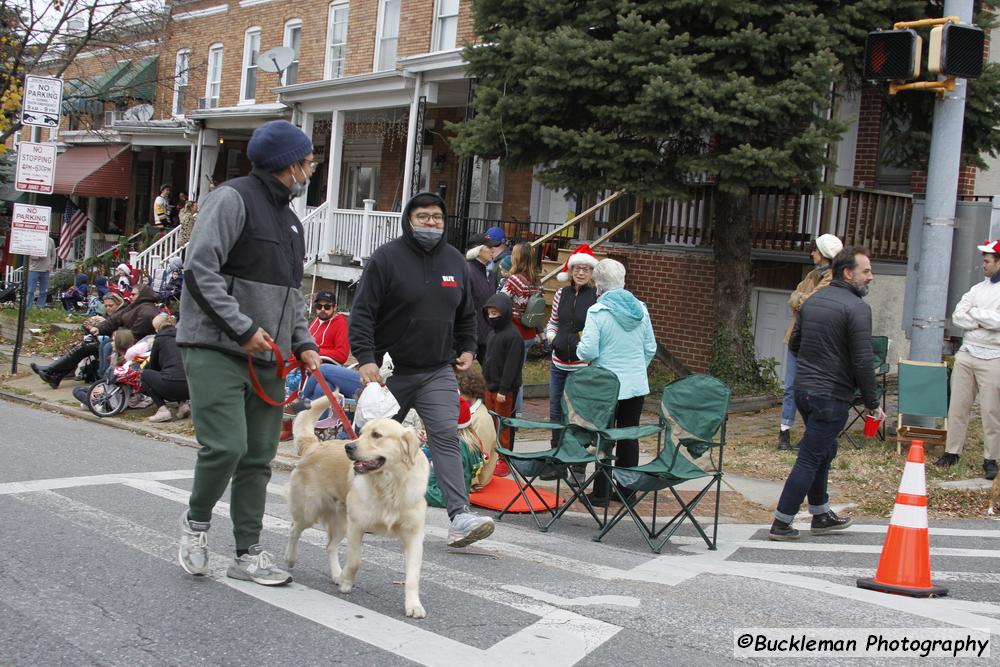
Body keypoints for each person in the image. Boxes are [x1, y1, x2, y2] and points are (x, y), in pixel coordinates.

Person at [175, 119, 321, 585]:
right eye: (308, 160)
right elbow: (199, 270)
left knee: (258, 455)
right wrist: (241, 328)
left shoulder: (293, 222)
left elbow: (291, 295)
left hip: (269, 356)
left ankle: (247, 552)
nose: (311, 168)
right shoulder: (231, 198)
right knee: (226, 446)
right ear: (290, 164)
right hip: (217, 346)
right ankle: (196, 526)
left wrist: (303, 343)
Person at [348, 190, 495, 548]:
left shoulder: (454, 261)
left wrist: (467, 347)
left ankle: (460, 516)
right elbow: (363, 312)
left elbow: (466, 314)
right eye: (423, 217)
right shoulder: (386, 259)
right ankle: (359, 506)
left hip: (436, 370)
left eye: (437, 218)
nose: (431, 223)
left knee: (446, 435)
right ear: (409, 220)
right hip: (389, 372)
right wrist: (365, 358)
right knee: (370, 442)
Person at [770, 247, 882, 541]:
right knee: (810, 457)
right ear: (848, 273)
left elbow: (794, 344)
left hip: (805, 391)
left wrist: (814, 364)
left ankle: (820, 514)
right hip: (830, 395)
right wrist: (873, 403)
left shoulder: (813, 302)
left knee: (824, 451)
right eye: (866, 271)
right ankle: (782, 522)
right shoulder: (858, 309)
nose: (871, 277)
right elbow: (862, 361)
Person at [576, 259, 657, 506]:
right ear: (623, 281)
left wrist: (580, 349)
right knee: (629, 436)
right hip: (635, 385)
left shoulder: (597, 311)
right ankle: (627, 491)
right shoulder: (640, 309)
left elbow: (588, 352)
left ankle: (600, 493)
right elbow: (650, 347)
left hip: (606, 385)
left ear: (598, 284)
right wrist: (635, 369)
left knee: (603, 436)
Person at [934, 240, 1000, 481]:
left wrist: (976, 316)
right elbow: (958, 316)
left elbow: (998, 322)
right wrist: (984, 319)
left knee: (991, 410)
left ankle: (990, 458)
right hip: (967, 352)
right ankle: (952, 452)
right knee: (958, 405)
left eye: (987, 261)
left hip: (994, 356)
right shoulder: (977, 289)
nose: (983, 265)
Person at [778, 234, 843, 450]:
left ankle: (811, 434)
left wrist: (801, 298)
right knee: (790, 387)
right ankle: (784, 431)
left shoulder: (832, 278)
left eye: (815, 250)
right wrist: (801, 298)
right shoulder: (812, 274)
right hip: (795, 336)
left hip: (815, 342)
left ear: (823, 254)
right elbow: (794, 297)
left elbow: (811, 302)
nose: (812, 253)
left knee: (810, 390)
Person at [30, 287, 158, 389]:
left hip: (131, 344)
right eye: (106, 305)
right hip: (117, 338)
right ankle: (54, 374)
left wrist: (115, 334)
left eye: (134, 294)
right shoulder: (134, 306)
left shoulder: (145, 311)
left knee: (98, 346)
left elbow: (135, 333)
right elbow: (113, 321)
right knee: (84, 345)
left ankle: (101, 380)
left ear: (142, 295)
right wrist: (100, 328)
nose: (130, 295)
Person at [545, 244, 599, 446]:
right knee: (555, 411)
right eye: (577, 268)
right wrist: (552, 337)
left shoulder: (596, 296)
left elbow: (598, 330)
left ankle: (577, 459)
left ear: (592, 272)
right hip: (558, 364)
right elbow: (553, 322)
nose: (581, 272)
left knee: (578, 412)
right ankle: (555, 458)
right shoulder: (561, 294)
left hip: (581, 367)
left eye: (586, 269)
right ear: (570, 270)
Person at [500, 242, 543, 416]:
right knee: (518, 373)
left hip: (514, 332)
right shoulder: (536, 280)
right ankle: (517, 411)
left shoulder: (515, 279)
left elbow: (501, 301)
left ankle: (513, 412)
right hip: (529, 333)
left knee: (510, 374)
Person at [482, 293, 525, 451]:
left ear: (505, 312)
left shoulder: (513, 337)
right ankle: (492, 452)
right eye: (489, 314)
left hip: (504, 391)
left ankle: (504, 455)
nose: (491, 317)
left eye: (495, 313)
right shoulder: (492, 334)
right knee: (490, 422)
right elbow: (488, 359)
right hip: (490, 386)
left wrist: (504, 389)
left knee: (504, 424)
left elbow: (512, 366)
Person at [143, 313, 191, 423]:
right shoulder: (183, 336)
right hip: (190, 386)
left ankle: (162, 410)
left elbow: (153, 366)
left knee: (146, 375)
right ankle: (183, 405)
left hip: (171, 385)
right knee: (178, 370)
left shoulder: (160, 339)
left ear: (157, 328)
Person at [465, 234, 495, 363]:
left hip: (487, 335)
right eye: (489, 247)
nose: (493, 250)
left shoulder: (491, 273)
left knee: (492, 378)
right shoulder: (467, 272)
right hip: (470, 337)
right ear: (477, 250)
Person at [309, 290, 350, 364]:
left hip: (323, 366)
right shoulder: (316, 320)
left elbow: (342, 355)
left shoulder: (341, 323)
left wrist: (313, 351)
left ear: (334, 308)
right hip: (306, 362)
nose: (322, 309)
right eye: (319, 306)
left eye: (327, 307)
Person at [26, 235, 57, 309]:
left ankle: (40, 307)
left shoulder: (50, 241)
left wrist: (51, 265)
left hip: (46, 270)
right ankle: (28, 307)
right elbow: (28, 254)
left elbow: (53, 255)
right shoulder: (33, 239)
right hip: (33, 269)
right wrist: (37, 257)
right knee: (31, 290)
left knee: (44, 291)